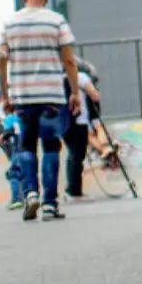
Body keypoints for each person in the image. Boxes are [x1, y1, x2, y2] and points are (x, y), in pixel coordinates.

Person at [0, 0, 81, 221]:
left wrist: (6, 95)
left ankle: (31, 193)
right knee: (51, 146)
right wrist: (75, 92)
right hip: (51, 96)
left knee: (26, 146)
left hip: (23, 97)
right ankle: (49, 205)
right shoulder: (56, 20)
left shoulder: (9, 23)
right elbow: (69, 60)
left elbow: (0, 62)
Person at [62, 63, 100, 202]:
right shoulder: (81, 77)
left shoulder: (61, 79)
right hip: (79, 121)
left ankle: (72, 190)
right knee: (78, 157)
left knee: (72, 155)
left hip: (64, 122)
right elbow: (95, 96)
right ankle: (75, 192)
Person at [0, 91, 24, 210]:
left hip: (16, 149)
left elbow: (8, 131)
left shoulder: (9, 119)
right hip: (26, 149)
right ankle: (29, 194)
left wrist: (3, 136)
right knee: (25, 172)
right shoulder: (23, 117)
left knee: (13, 173)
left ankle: (17, 199)